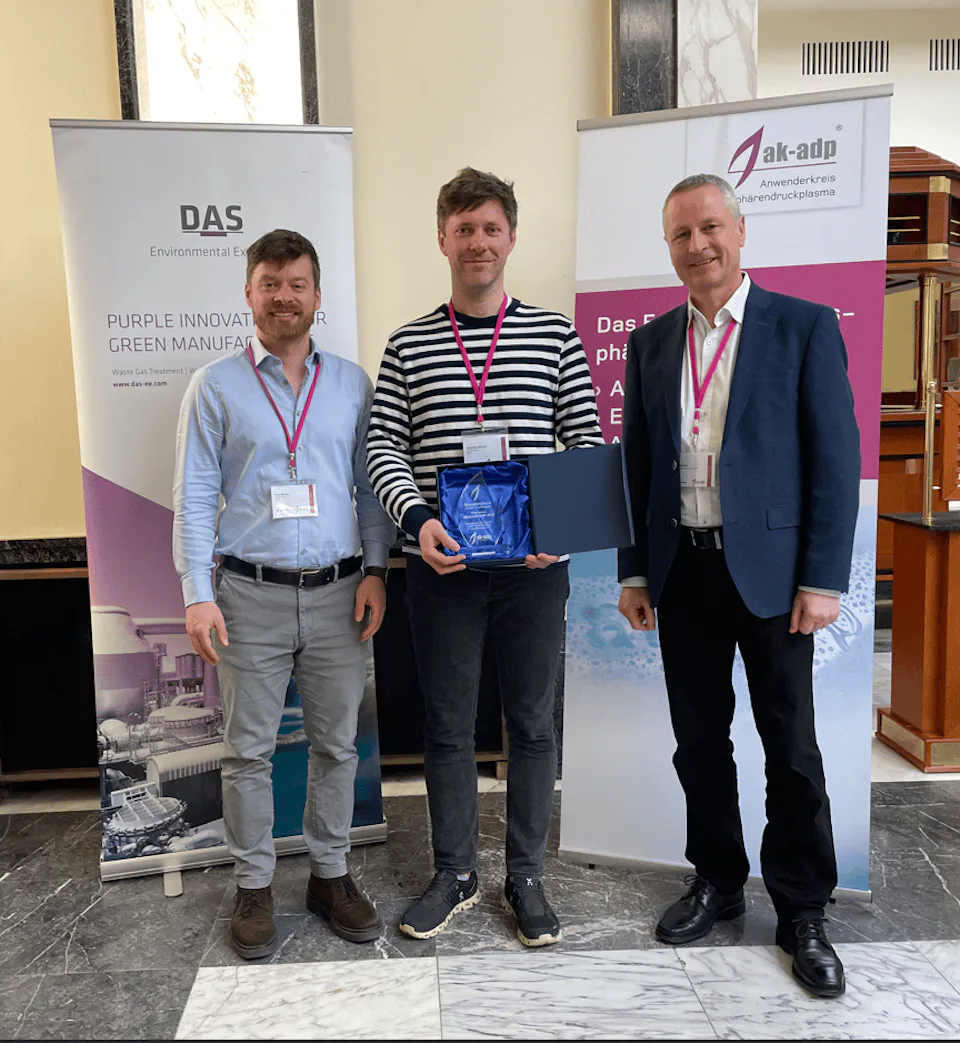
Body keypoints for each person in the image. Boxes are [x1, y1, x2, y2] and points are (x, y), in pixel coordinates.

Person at [617, 173, 860, 998]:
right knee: (698, 741)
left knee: (791, 746)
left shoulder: (803, 326)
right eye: (682, 234)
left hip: (775, 578)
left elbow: (835, 460)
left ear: (741, 230)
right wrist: (634, 568)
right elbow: (636, 466)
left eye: (711, 227)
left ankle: (803, 908)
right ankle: (718, 880)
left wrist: (822, 577)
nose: (699, 246)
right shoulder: (650, 343)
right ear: (669, 247)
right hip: (683, 569)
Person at [367, 167, 604, 947]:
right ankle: (454, 872)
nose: (478, 241)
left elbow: (585, 439)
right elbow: (383, 446)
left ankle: (525, 876)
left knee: (533, 725)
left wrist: (561, 526)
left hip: (534, 573)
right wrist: (417, 519)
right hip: (443, 571)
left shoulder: (554, 336)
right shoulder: (408, 345)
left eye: (491, 227)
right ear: (442, 239)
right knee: (447, 726)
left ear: (511, 238)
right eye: (463, 228)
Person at [173, 228, 395, 959]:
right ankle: (253, 884)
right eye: (270, 283)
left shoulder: (352, 384)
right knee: (248, 752)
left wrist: (375, 568)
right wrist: (196, 592)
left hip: (339, 592)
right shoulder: (216, 385)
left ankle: (330, 874)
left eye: (297, 284)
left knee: (336, 744)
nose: (284, 297)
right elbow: (194, 494)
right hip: (249, 594)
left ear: (317, 295)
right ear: (249, 293)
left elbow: (370, 487)